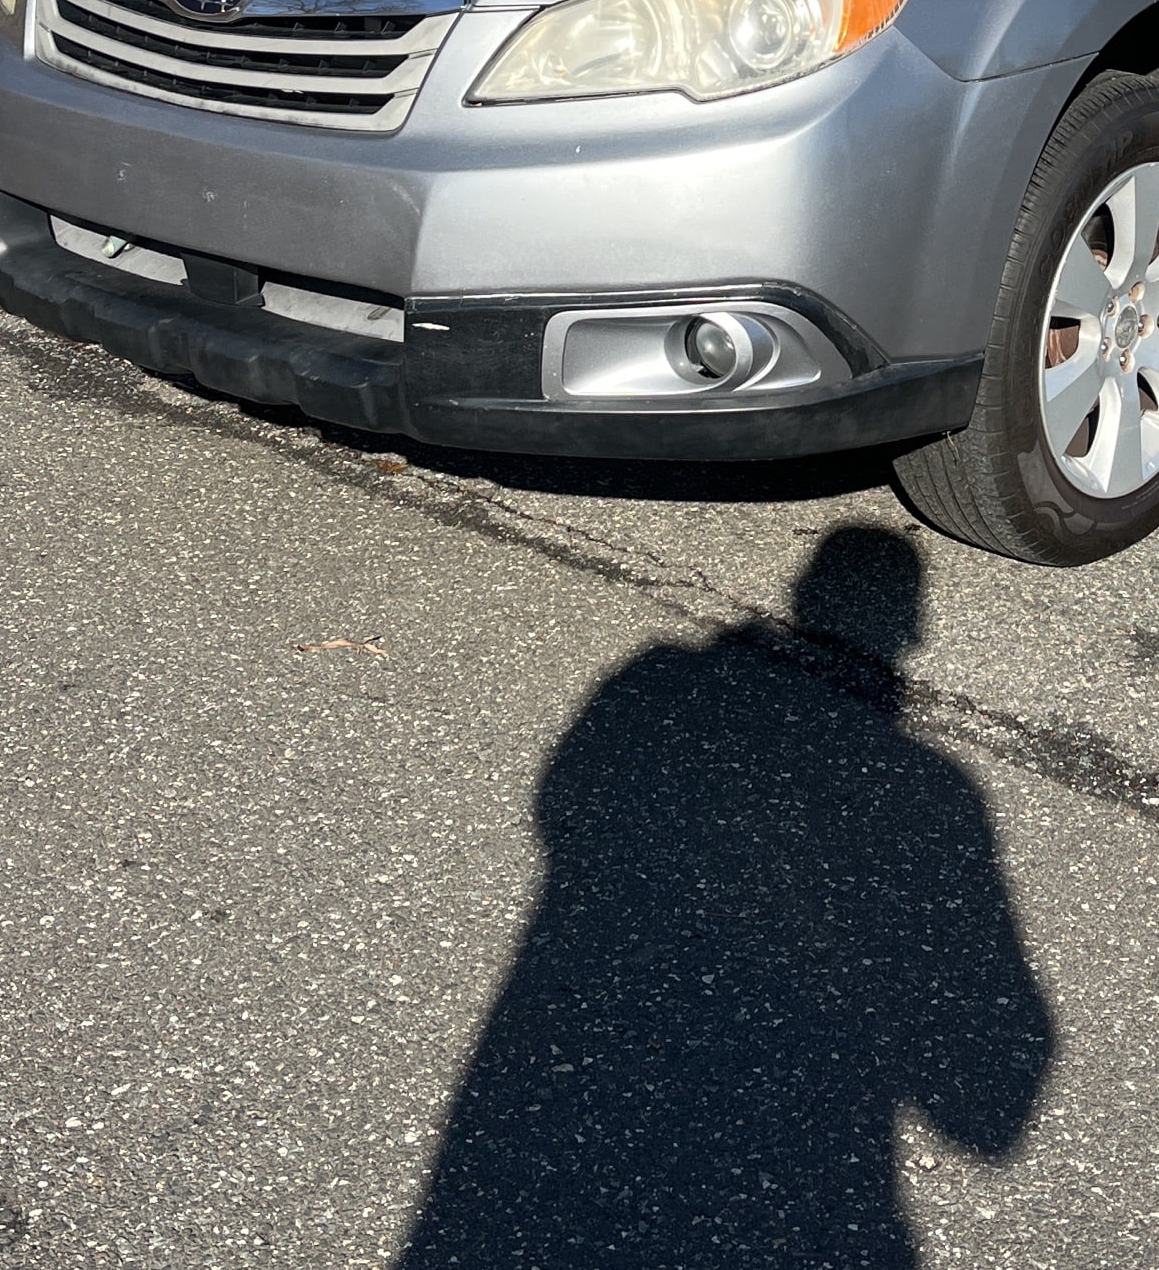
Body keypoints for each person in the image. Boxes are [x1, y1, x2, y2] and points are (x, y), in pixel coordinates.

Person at [400, 524, 1055, 1268]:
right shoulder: (935, 789)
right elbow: (990, 1104)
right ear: (910, 628)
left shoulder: (651, 679)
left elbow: (561, 806)